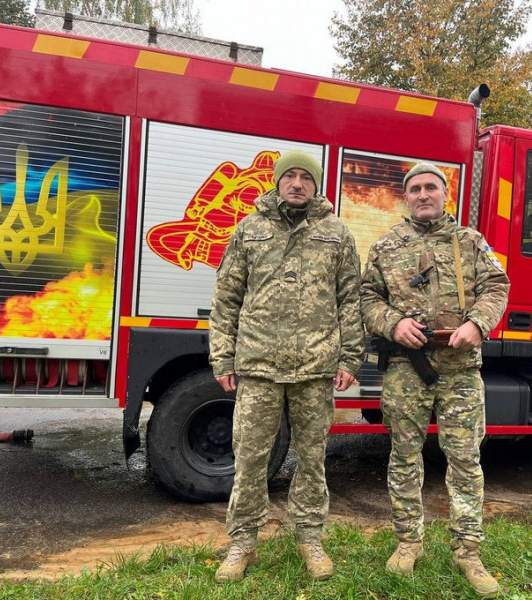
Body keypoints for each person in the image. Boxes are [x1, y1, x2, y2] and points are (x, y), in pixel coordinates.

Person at [209, 150, 364, 583]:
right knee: (250, 459)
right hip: (258, 366)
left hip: (315, 368)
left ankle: (310, 538)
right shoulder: (250, 229)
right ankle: (242, 542)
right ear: (277, 182)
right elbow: (226, 299)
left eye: (305, 178)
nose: (297, 184)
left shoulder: (336, 233)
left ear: (316, 185)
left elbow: (349, 299)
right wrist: (222, 356)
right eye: (290, 176)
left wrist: (351, 357)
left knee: (312, 458)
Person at [360, 163, 510, 598]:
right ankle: (408, 542)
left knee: (465, 460)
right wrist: (392, 324)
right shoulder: (387, 245)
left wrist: (478, 325)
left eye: (431, 187)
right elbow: (367, 297)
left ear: (445, 194)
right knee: (404, 457)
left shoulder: (469, 242)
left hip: (460, 369)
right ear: (405, 197)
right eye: (415, 189)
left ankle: (468, 551)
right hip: (407, 368)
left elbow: (496, 286)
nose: (423, 194)